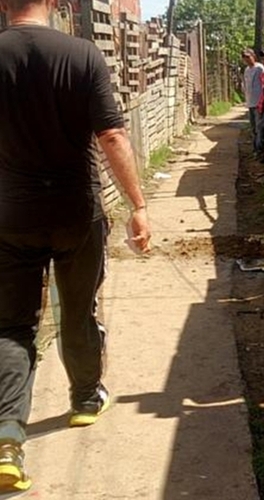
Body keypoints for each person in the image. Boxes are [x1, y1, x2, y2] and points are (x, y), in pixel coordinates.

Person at [0, 0, 151, 492]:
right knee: (78, 310)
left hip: (10, 217)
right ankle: (85, 400)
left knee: (12, 326)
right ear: (54, 4)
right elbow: (111, 135)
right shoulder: (83, 54)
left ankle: (6, 439)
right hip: (75, 213)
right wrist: (137, 204)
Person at [241, 48, 264, 152]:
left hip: (258, 102)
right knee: (254, 128)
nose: (247, 59)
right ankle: (255, 148)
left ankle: (259, 149)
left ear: (253, 56)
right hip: (250, 102)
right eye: (245, 58)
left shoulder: (259, 68)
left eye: (248, 57)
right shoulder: (247, 70)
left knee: (259, 127)